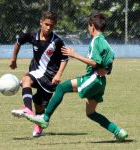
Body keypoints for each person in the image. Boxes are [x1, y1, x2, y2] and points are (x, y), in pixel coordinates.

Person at [26, 11, 128, 142]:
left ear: (92, 25)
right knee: (91, 113)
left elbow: (94, 62)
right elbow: (110, 58)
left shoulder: (95, 41)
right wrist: (107, 70)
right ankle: (118, 131)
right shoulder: (105, 42)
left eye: (88, 26)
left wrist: (74, 55)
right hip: (101, 82)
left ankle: (44, 119)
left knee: (62, 87)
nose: (88, 29)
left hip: (93, 78)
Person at [9, 11, 69, 137]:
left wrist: (59, 74)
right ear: (41, 22)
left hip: (50, 77)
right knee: (26, 79)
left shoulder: (57, 41)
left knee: (39, 103)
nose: (48, 27)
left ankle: (39, 125)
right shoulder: (32, 35)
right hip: (36, 73)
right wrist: (14, 59)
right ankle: (27, 109)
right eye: (46, 24)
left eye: (51, 26)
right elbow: (18, 43)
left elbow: (65, 58)